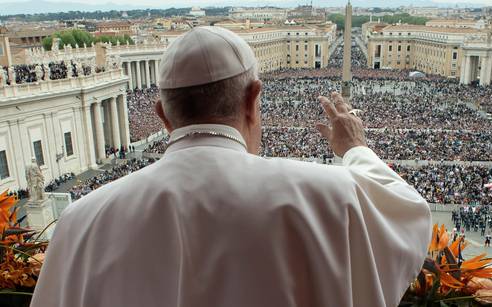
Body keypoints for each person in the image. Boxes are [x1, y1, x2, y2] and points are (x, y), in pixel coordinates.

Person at [31, 26, 431, 307]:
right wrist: (355, 148)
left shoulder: (80, 221)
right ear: (253, 100)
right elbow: (407, 211)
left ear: (162, 116)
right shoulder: (330, 194)